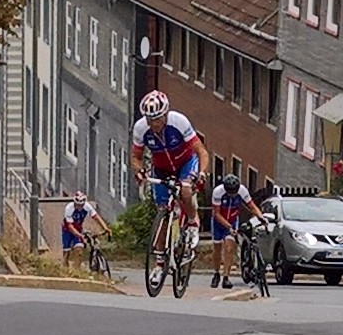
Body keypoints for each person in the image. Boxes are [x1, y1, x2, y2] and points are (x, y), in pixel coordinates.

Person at [130, 90, 211, 287]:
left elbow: (201, 151)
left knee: (185, 190)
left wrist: (201, 173)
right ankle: (159, 265)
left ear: (165, 114)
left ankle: (192, 222)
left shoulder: (179, 122)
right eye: (150, 120)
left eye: (157, 119)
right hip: (162, 169)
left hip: (185, 163)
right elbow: (136, 157)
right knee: (163, 213)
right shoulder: (140, 128)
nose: (154, 124)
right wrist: (139, 171)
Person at [210, 173, 268, 289]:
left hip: (232, 220)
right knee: (217, 248)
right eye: (230, 193)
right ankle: (216, 273)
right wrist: (228, 226)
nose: (232, 195)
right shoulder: (218, 192)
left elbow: (252, 206)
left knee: (229, 247)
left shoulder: (242, 191)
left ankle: (226, 277)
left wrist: (261, 217)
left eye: (234, 192)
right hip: (219, 222)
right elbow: (216, 213)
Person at [62, 190, 112, 267]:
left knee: (79, 251)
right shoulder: (69, 208)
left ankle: (76, 269)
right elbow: (70, 226)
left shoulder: (87, 206)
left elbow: (96, 217)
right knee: (66, 252)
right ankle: (65, 267)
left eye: (81, 205)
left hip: (78, 229)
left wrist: (106, 228)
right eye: (77, 205)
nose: (79, 207)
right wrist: (80, 235)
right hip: (67, 230)